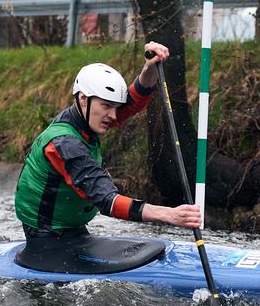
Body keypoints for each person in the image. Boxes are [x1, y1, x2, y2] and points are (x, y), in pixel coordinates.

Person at [13, 41, 200, 273]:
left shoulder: (86, 117)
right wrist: (168, 214)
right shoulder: (64, 144)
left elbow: (134, 100)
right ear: (83, 98)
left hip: (73, 233)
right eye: (107, 107)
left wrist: (150, 67)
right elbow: (107, 200)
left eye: (115, 107)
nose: (114, 116)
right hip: (46, 244)